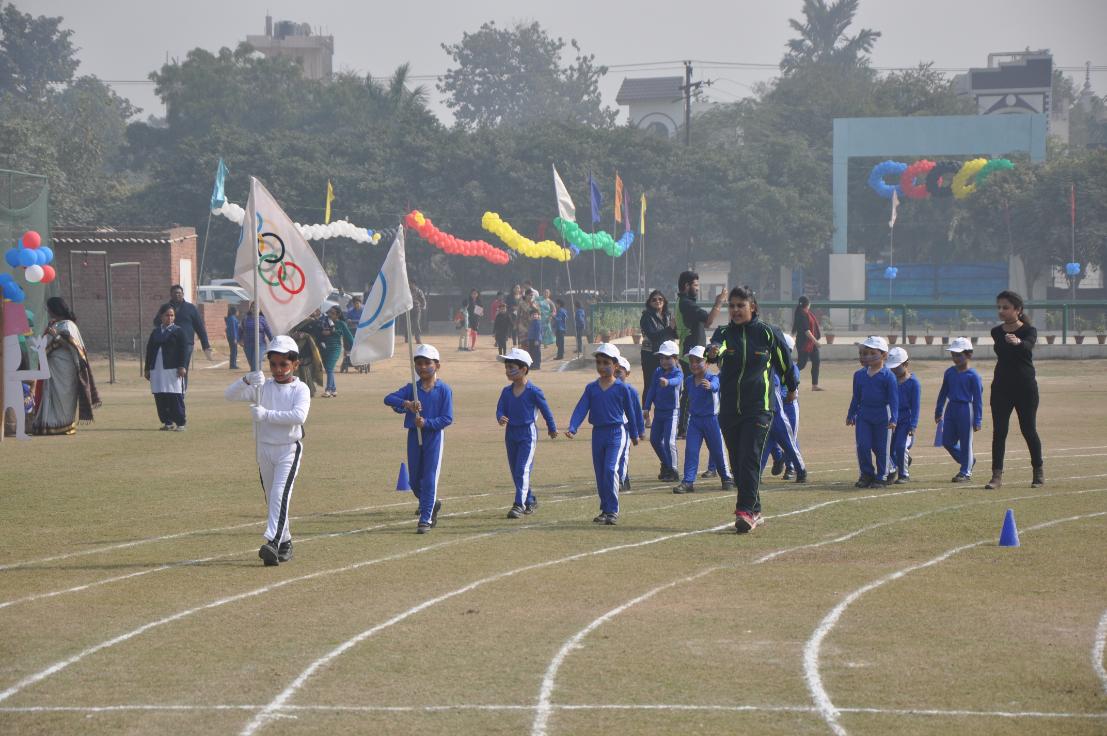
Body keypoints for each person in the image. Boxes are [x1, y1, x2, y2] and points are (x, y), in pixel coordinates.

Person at [707, 287, 796, 533]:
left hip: (759, 408)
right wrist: (712, 352)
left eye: (741, 305)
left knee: (750, 457)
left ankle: (745, 511)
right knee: (737, 462)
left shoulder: (767, 332)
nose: (735, 310)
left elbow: (785, 363)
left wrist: (791, 387)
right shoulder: (724, 333)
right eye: (732, 306)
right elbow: (716, 349)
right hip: (729, 409)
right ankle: (755, 509)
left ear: (752, 307)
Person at [224, 335, 311, 566]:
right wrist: (246, 380)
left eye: (284, 364)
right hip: (264, 448)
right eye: (273, 364)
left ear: (295, 364)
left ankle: (272, 542)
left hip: (288, 449)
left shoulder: (300, 389)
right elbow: (229, 395)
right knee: (273, 498)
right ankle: (286, 542)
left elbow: (299, 416)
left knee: (279, 495)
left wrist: (266, 415)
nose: (278, 369)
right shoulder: (263, 388)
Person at [566, 343, 640, 525]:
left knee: (610, 469)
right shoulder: (591, 388)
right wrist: (573, 427)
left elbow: (630, 412)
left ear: (616, 365)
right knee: (600, 473)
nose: (601, 366)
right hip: (598, 433)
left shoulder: (622, 388)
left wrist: (634, 433)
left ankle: (613, 510)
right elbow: (581, 407)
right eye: (598, 362)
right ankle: (605, 509)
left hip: (616, 433)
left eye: (606, 363)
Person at [384, 344, 453, 533]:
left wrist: (427, 423)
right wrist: (406, 404)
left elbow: (447, 418)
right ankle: (432, 503)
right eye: (419, 363)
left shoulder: (444, 390)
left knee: (429, 478)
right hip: (414, 436)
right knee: (414, 481)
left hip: (434, 437)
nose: (422, 367)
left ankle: (425, 519)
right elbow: (388, 399)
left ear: (437, 365)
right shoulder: (411, 389)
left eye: (427, 363)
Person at [987, 290, 1044, 489]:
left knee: (1028, 430)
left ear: (1018, 309)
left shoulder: (1029, 330)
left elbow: (1028, 346)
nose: (1001, 311)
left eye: (1006, 307)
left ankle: (1038, 471)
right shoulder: (996, 332)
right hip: (1001, 388)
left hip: (1025, 389)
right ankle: (996, 476)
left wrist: (1018, 342)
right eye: (999, 307)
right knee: (999, 432)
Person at [495, 347, 558, 518]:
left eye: (511, 367)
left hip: (527, 435)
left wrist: (552, 428)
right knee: (516, 470)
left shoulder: (534, 391)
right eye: (506, 367)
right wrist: (500, 417)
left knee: (522, 469)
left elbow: (546, 411)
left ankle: (519, 505)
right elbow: (500, 409)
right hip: (510, 434)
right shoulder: (506, 392)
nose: (508, 370)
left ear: (524, 369)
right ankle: (529, 499)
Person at [32, 297, 100, 436]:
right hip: (51, 367)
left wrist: (56, 336)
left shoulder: (68, 325)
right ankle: (47, 424)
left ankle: (63, 425)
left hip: (65, 369)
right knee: (50, 395)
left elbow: (75, 347)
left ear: (55, 309)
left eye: (48, 308)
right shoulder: (54, 324)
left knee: (63, 398)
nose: (48, 311)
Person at [673, 345, 734, 494]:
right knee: (691, 451)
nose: (694, 364)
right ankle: (688, 482)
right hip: (694, 422)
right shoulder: (689, 380)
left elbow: (716, 386)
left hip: (712, 421)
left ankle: (726, 478)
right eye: (691, 361)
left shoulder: (713, 378)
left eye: (698, 361)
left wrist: (711, 386)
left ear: (707, 362)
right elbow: (687, 400)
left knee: (718, 451)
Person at [675, 272, 725, 438]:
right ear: (686, 286)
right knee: (690, 391)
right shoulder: (686, 303)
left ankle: (688, 425)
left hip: (693, 352)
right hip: (690, 354)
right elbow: (709, 321)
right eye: (695, 285)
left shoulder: (684, 302)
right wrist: (719, 302)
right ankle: (683, 427)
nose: (697, 289)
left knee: (694, 389)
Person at [847, 336, 899, 489]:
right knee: (863, 445)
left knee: (882, 447)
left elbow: (894, 400)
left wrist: (894, 418)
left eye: (872, 353)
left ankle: (882, 476)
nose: (867, 356)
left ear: (884, 355)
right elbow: (856, 397)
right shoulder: (859, 375)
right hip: (864, 415)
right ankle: (866, 474)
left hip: (883, 415)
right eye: (865, 353)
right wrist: (851, 414)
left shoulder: (889, 376)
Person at [935, 337, 984, 483]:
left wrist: (978, 420)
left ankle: (965, 472)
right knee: (947, 441)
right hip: (951, 408)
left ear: (969, 355)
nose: (955, 358)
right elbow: (943, 392)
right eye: (953, 355)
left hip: (966, 409)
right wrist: (939, 410)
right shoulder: (949, 372)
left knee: (966, 441)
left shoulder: (973, 376)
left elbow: (978, 399)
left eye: (959, 355)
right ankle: (968, 460)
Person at [760, 334, 807, 483]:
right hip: (770, 410)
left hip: (785, 409)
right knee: (765, 443)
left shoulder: (789, 368)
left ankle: (797, 469)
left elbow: (789, 391)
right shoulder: (769, 367)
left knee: (789, 440)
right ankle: (756, 474)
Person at [153, 285, 212, 384]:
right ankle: (172, 389)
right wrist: (164, 319)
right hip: (169, 343)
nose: (177, 295)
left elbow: (200, 327)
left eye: (179, 293)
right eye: (175, 293)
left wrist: (205, 345)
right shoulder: (165, 308)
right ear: (171, 294)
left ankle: (182, 390)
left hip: (187, 344)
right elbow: (156, 322)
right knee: (171, 368)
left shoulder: (191, 308)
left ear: (183, 294)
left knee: (183, 367)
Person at [643, 340, 683, 482]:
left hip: (672, 413)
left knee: (669, 442)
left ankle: (674, 470)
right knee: (654, 440)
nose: (664, 361)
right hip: (658, 412)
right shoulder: (658, 371)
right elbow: (652, 389)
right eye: (661, 358)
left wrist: (668, 382)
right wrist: (646, 407)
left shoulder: (678, 372)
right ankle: (666, 464)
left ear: (676, 358)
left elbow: (677, 381)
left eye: (667, 358)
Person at [144, 304, 189, 431]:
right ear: (161, 316)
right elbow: (149, 351)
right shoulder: (156, 332)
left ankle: (180, 423)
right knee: (160, 395)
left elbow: (184, 350)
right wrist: (147, 368)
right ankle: (167, 422)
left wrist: (182, 366)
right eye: (167, 315)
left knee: (174, 395)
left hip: (172, 369)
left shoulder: (178, 331)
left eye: (172, 315)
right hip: (157, 369)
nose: (169, 318)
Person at [885, 347, 921, 484]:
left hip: (905, 422)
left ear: (906, 364)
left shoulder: (913, 383)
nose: (893, 370)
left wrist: (913, 425)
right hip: (891, 421)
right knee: (888, 449)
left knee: (901, 446)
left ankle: (904, 475)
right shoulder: (890, 381)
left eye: (897, 367)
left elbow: (915, 406)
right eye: (891, 367)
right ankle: (896, 466)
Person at [615, 355, 645, 491]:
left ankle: (622, 480)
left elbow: (637, 412)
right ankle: (621, 478)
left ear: (627, 373)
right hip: (612, 428)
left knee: (623, 455)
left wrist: (640, 430)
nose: (616, 374)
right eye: (614, 371)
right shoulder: (607, 388)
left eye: (619, 372)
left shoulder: (631, 391)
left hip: (626, 429)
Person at [639, 290, 676, 400]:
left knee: (667, 382)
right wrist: (669, 328)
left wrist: (676, 329)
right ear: (649, 302)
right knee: (650, 384)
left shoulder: (669, 315)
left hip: (667, 355)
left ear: (664, 301)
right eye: (654, 299)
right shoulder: (646, 317)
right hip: (650, 355)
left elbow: (674, 334)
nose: (657, 301)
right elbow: (653, 336)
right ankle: (646, 409)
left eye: (660, 299)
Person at [318, 305, 355, 398]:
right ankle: (333, 390)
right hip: (324, 348)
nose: (330, 314)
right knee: (328, 369)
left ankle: (328, 390)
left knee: (330, 368)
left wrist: (355, 346)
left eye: (333, 313)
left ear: (338, 315)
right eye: (329, 312)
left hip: (335, 348)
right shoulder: (324, 321)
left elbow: (349, 336)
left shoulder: (341, 323)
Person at [792, 295, 824, 391]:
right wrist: (816, 341)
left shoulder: (807, 313)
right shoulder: (802, 314)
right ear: (807, 304)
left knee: (816, 361)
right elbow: (807, 331)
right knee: (801, 364)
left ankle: (815, 385)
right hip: (804, 343)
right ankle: (787, 375)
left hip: (811, 343)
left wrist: (814, 342)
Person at [238, 303, 273, 372]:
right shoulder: (245, 319)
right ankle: (257, 377)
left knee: (255, 364)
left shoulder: (263, 320)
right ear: (250, 309)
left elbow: (269, 332)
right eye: (253, 307)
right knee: (253, 365)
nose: (254, 309)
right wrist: (239, 340)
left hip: (260, 345)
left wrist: (274, 342)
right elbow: (240, 330)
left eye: (256, 307)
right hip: (248, 345)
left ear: (260, 309)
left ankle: (256, 378)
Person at [340, 297, 363, 373]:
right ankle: (347, 360)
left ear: (360, 303)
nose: (357, 305)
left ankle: (358, 361)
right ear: (353, 304)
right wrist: (349, 320)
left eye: (358, 303)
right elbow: (347, 320)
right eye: (355, 303)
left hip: (360, 330)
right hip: (352, 330)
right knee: (348, 345)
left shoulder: (364, 310)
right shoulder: (350, 311)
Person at [225, 304, 240, 370]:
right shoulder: (232, 319)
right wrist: (235, 338)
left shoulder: (231, 318)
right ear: (235, 311)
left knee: (234, 351)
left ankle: (233, 364)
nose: (238, 312)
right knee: (234, 351)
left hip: (230, 336)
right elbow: (233, 329)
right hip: (232, 337)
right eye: (237, 311)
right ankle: (233, 365)